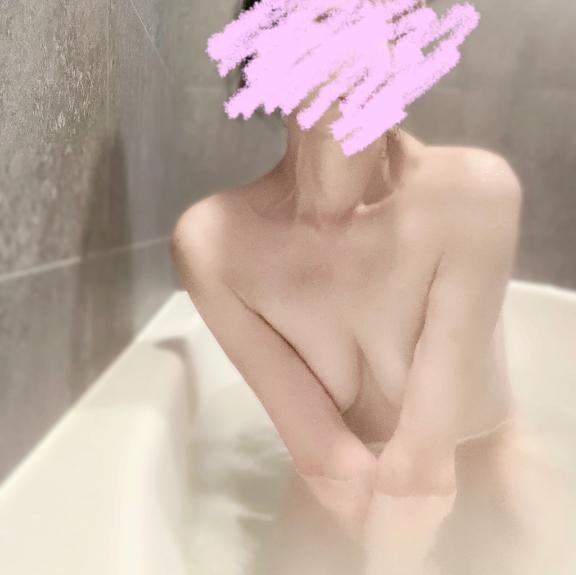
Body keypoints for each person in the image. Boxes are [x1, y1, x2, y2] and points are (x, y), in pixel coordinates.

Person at [172, 1, 573, 573]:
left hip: (486, 471)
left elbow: (423, 471)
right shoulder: (215, 245)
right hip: (332, 490)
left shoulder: (475, 194)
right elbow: (331, 465)